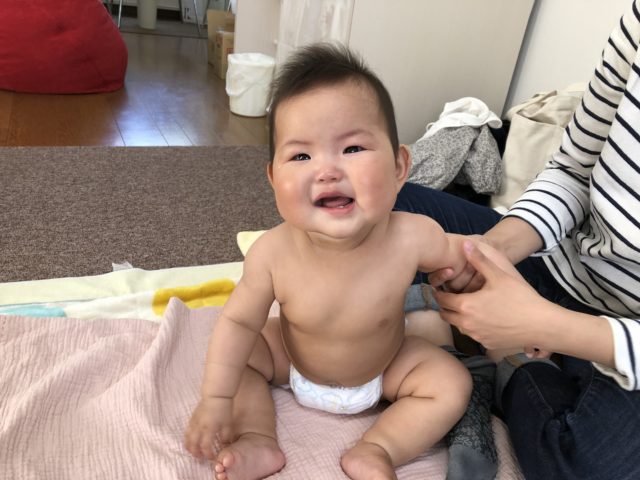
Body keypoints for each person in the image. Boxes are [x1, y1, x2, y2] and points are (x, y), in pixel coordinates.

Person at [184, 43, 475, 480]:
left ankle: (378, 448)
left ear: (399, 166)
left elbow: (464, 263)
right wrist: (216, 400)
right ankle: (257, 438)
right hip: (292, 363)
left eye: (352, 148)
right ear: (273, 178)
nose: (327, 171)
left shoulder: (414, 236)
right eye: (301, 156)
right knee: (239, 352)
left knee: (452, 382)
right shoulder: (272, 253)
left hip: (384, 370)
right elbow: (239, 323)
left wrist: (467, 284)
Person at [394, 2, 640, 479]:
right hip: (558, 266)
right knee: (373, 205)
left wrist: (548, 326)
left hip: (619, 337)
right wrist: (490, 252)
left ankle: (504, 365)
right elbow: (572, 171)